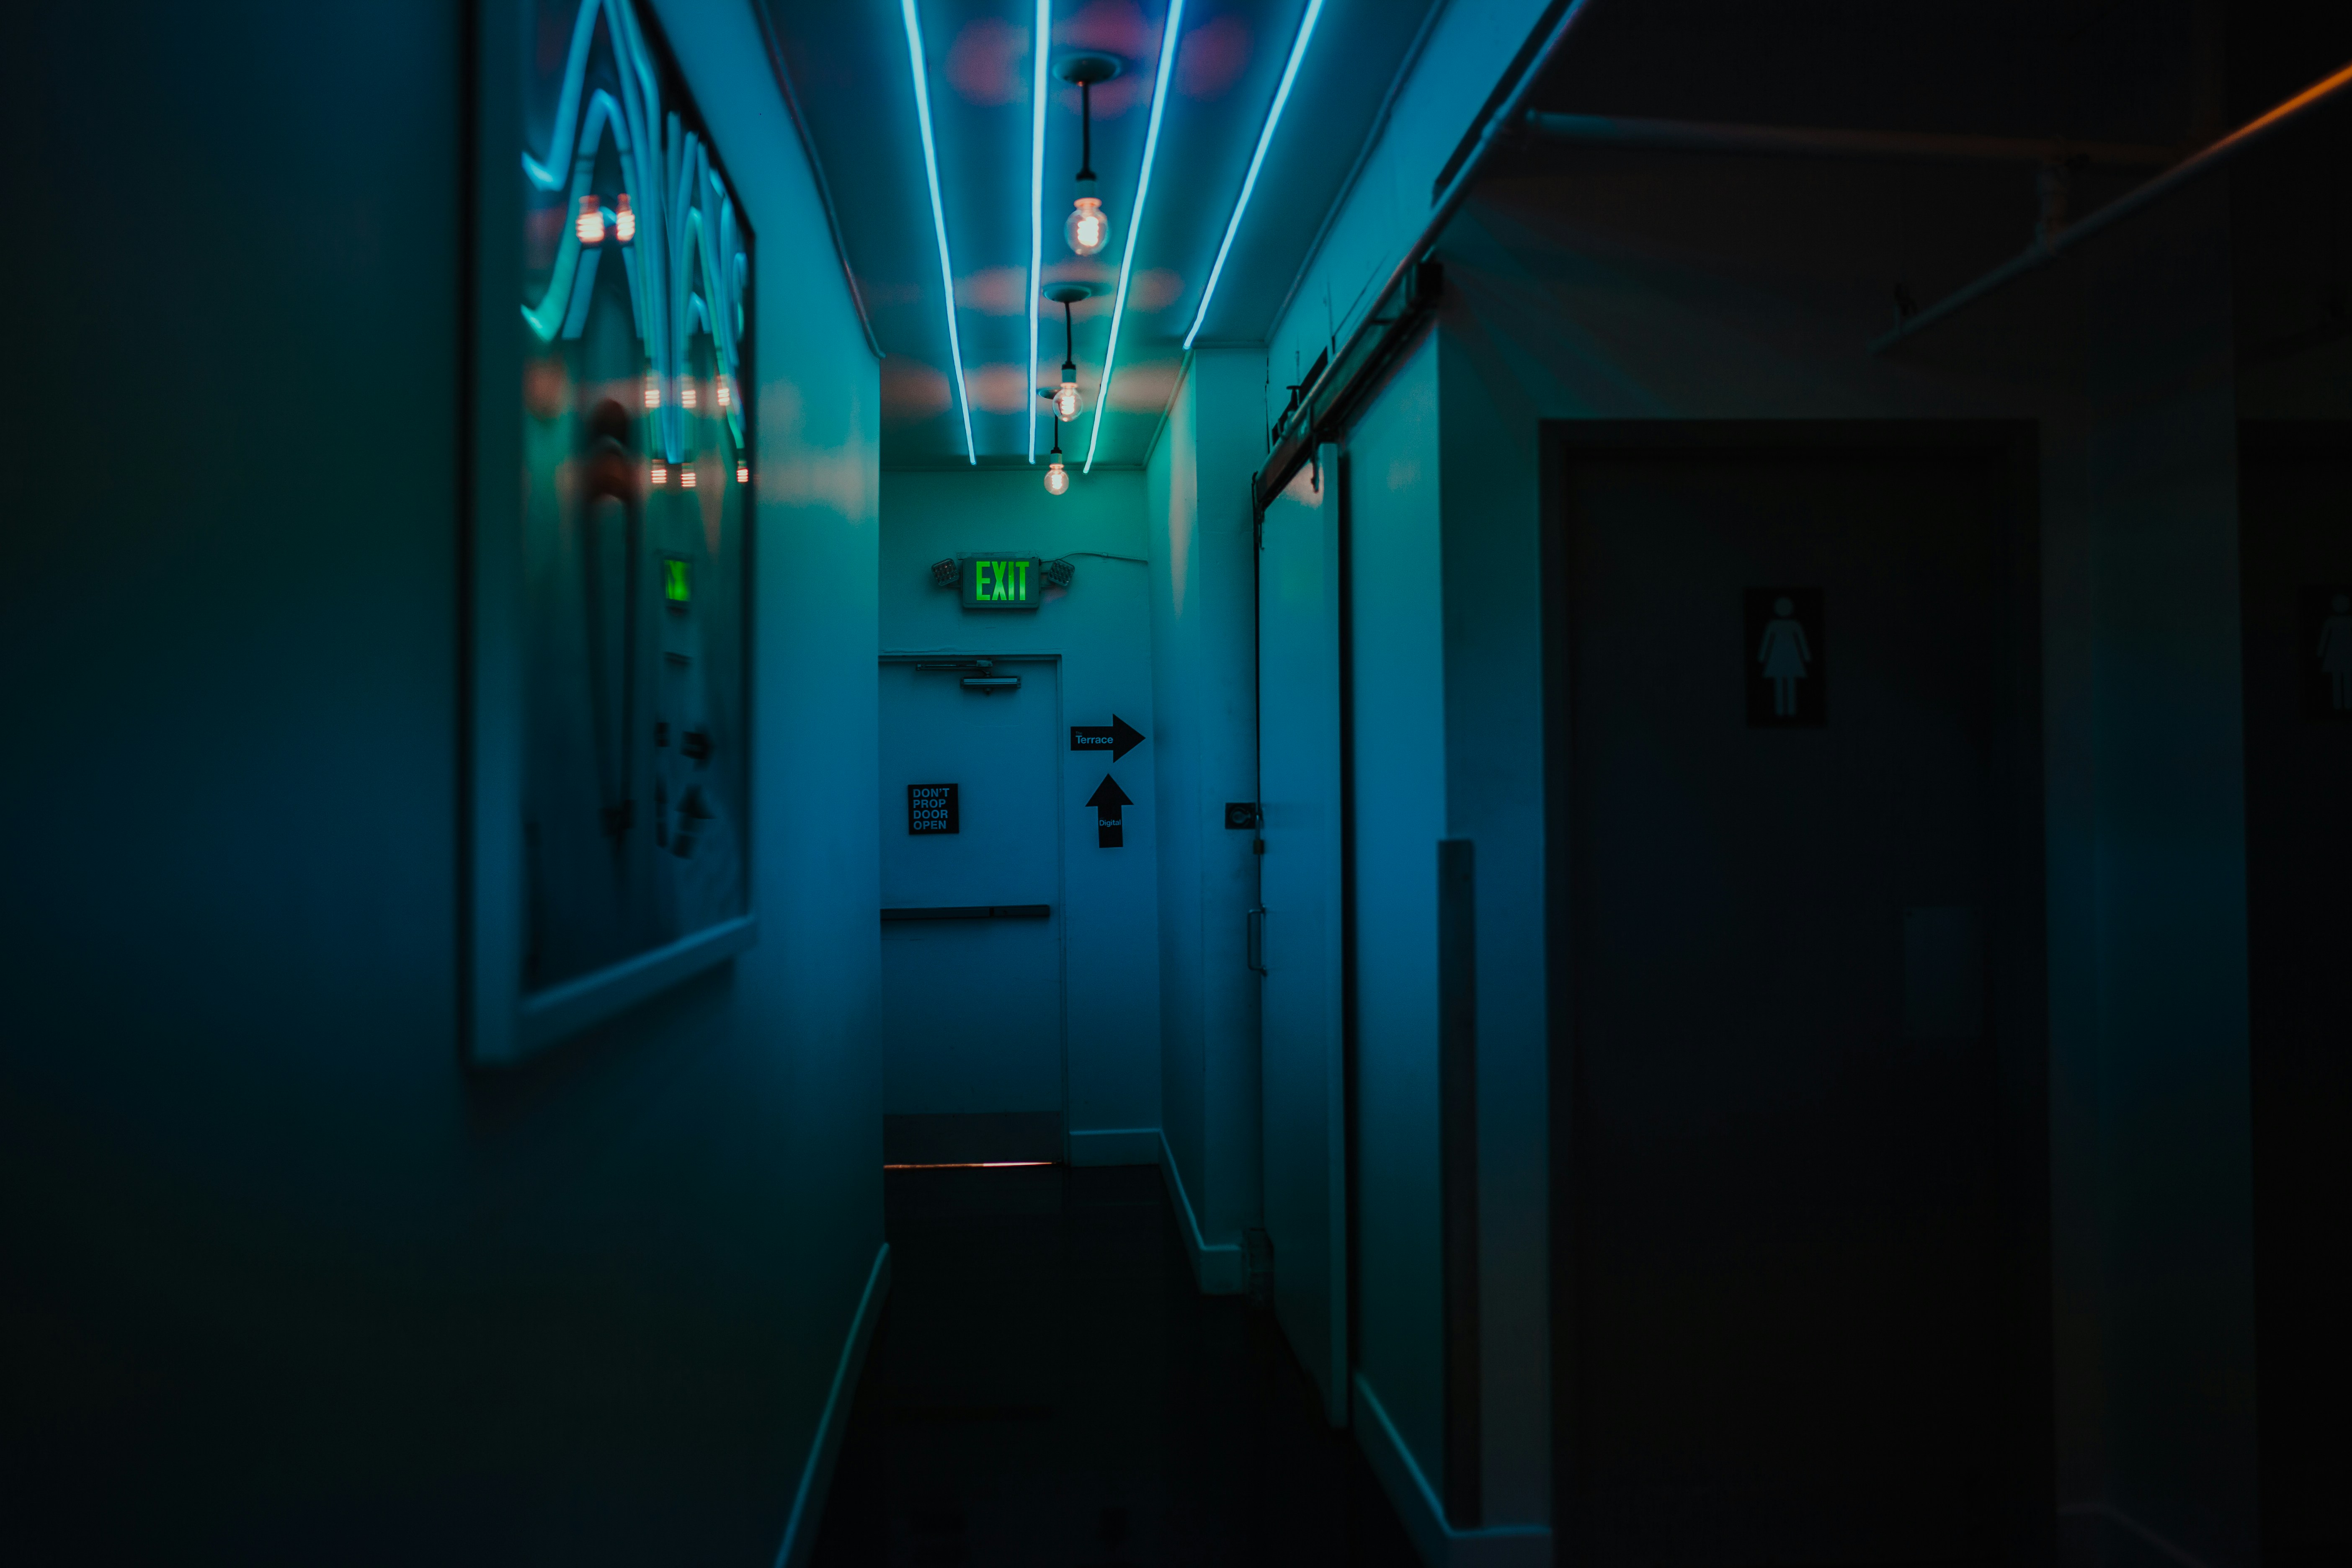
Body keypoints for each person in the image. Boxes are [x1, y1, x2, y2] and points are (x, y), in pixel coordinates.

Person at [1758, 596, 1812, 717]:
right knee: (1781, 683)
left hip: (1789, 657)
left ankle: (1790, 710)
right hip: (1780, 658)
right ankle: (1781, 710)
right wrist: (1762, 657)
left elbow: (1801, 642)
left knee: (1789, 683)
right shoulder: (1776, 624)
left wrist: (1806, 656)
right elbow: (1767, 642)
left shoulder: (1794, 624)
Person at [2319, 592, 2352, 712]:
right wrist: (2320, 651)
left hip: (2342, 653)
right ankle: (2342, 705)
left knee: (2344, 679)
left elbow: (2324, 637)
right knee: (2341, 679)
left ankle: (2345, 705)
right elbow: (2324, 637)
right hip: (2339, 653)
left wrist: (2321, 652)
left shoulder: (2341, 620)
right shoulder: (2333, 621)